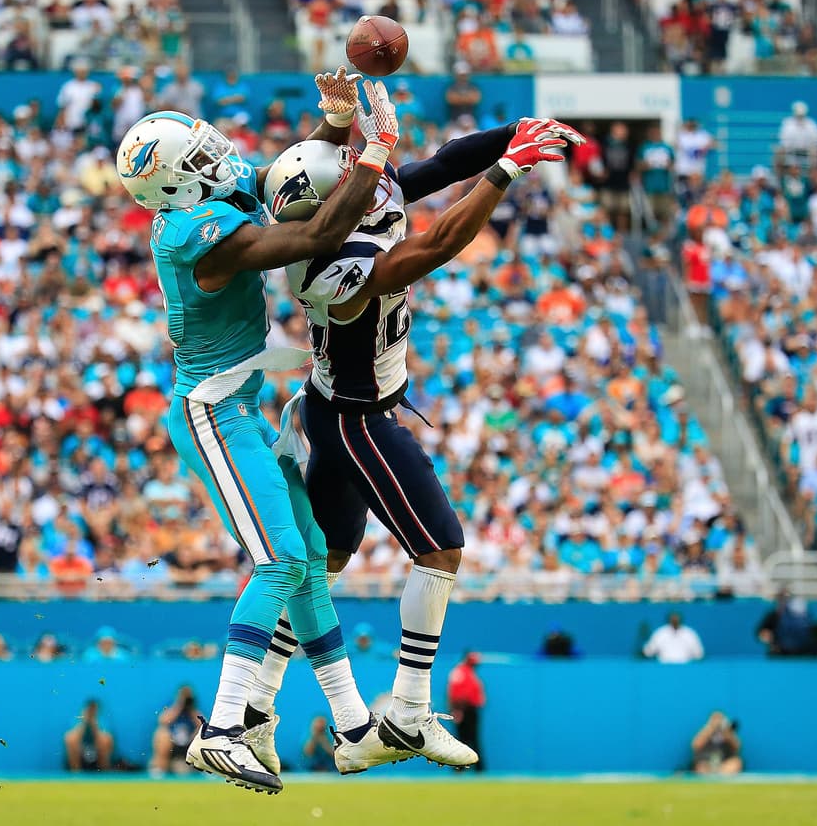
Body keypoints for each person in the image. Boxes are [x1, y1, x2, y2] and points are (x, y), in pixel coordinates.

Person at [247, 116, 582, 769]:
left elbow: (442, 164)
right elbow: (438, 244)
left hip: (337, 407)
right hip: (356, 419)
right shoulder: (324, 267)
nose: (362, 176)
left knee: (324, 563)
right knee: (440, 549)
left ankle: (257, 708)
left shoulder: (346, 212)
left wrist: (515, 131)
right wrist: (508, 168)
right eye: (346, 175)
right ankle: (405, 712)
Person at [115, 69, 409, 793]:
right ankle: (222, 729)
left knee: (306, 558)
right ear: (176, 184)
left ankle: (351, 725)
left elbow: (287, 177)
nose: (216, 156)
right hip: (213, 413)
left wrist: (334, 121)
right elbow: (316, 232)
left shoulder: (199, 199)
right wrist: (374, 154)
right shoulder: (196, 236)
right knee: (279, 563)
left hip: (240, 410)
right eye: (198, 157)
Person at [150, 685, 201, 776]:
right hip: (173, 744)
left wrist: (191, 709)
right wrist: (179, 705)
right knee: (162, 733)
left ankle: (206, 769)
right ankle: (159, 769)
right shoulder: (174, 710)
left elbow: (203, 725)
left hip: (189, 745)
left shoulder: (194, 712)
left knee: (202, 733)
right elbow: (162, 720)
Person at [447, 652, 485, 771]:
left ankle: (476, 767)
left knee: (472, 739)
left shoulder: (469, 672)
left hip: (471, 709)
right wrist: (457, 710)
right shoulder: (460, 672)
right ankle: (460, 767)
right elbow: (455, 694)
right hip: (464, 710)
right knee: (462, 739)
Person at [756, 590, 815, 656]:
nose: (784, 602)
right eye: (781, 599)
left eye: (787, 599)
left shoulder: (803, 616)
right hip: (781, 652)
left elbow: (811, 632)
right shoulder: (773, 616)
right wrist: (767, 638)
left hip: (804, 651)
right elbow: (761, 633)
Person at [65, 699, 114, 772]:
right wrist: (85, 722)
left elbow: (105, 740)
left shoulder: (102, 722)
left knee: (105, 740)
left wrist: (94, 725)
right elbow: (71, 738)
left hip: (97, 756)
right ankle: (76, 774)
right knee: (70, 739)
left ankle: (104, 772)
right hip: (81, 755)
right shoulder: (77, 721)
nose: (91, 713)